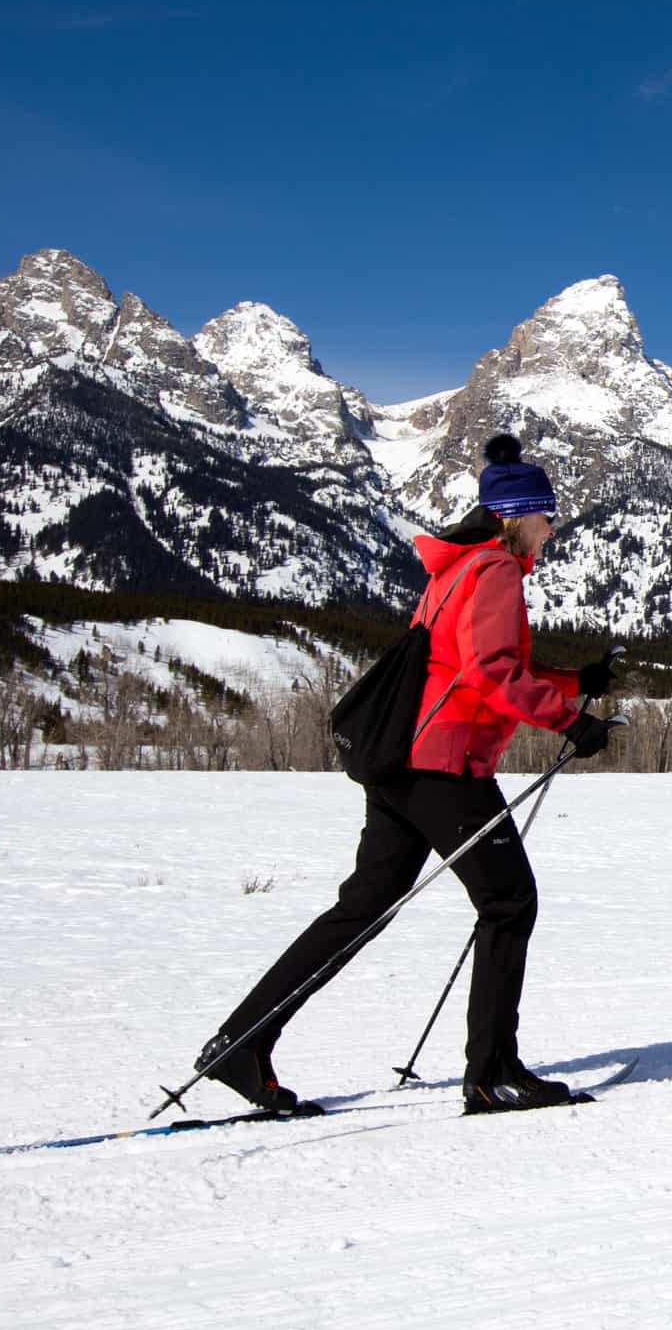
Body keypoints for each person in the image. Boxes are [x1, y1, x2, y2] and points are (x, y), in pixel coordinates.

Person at [193, 433, 625, 1115]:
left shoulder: (457, 567)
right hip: (441, 766)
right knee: (509, 901)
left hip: (401, 759)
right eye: (546, 516)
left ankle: (242, 1043)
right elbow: (489, 674)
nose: (552, 529)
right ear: (516, 515)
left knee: (363, 906)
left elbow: (473, 659)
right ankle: (492, 1072)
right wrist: (569, 720)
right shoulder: (497, 571)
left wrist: (575, 681)